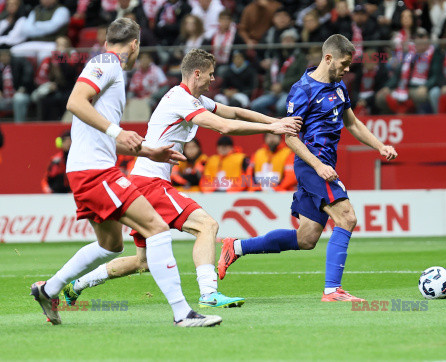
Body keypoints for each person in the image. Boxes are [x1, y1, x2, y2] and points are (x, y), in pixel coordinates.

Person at [61, 48, 302, 309]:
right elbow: (225, 126)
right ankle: (209, 293)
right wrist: (270, 128)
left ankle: (77, 285)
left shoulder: (191, 98)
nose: (213, 80)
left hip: (142, 180)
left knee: (143, 261)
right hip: (150, 183)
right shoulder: (181, 99)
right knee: (206, 226)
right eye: (210, 74)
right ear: (196, 73)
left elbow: (233, 112)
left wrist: (276, 120)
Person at [30, 18, 222, 328]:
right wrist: (117, 130)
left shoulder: (108, 69)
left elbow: (103, 133)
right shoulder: (107, 62)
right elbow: (75, 101)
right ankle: (183, 313)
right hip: (95, 172)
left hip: (87, 169)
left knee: (111, 245)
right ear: (135, 45)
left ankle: (48, 289)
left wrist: (149, 151)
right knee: (157, 228)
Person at [218, 34, 398, 302]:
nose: (348, 69)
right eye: (345, 63)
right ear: (328, 58)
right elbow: (290, 137)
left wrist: (379, 146)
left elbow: (353, 123)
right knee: (347, 218)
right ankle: (332, 290)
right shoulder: (303, 90)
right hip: (312, 164)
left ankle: (237, 246)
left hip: (322, 165)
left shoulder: (339, 87)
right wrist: (318, 165)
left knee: (307, 238)